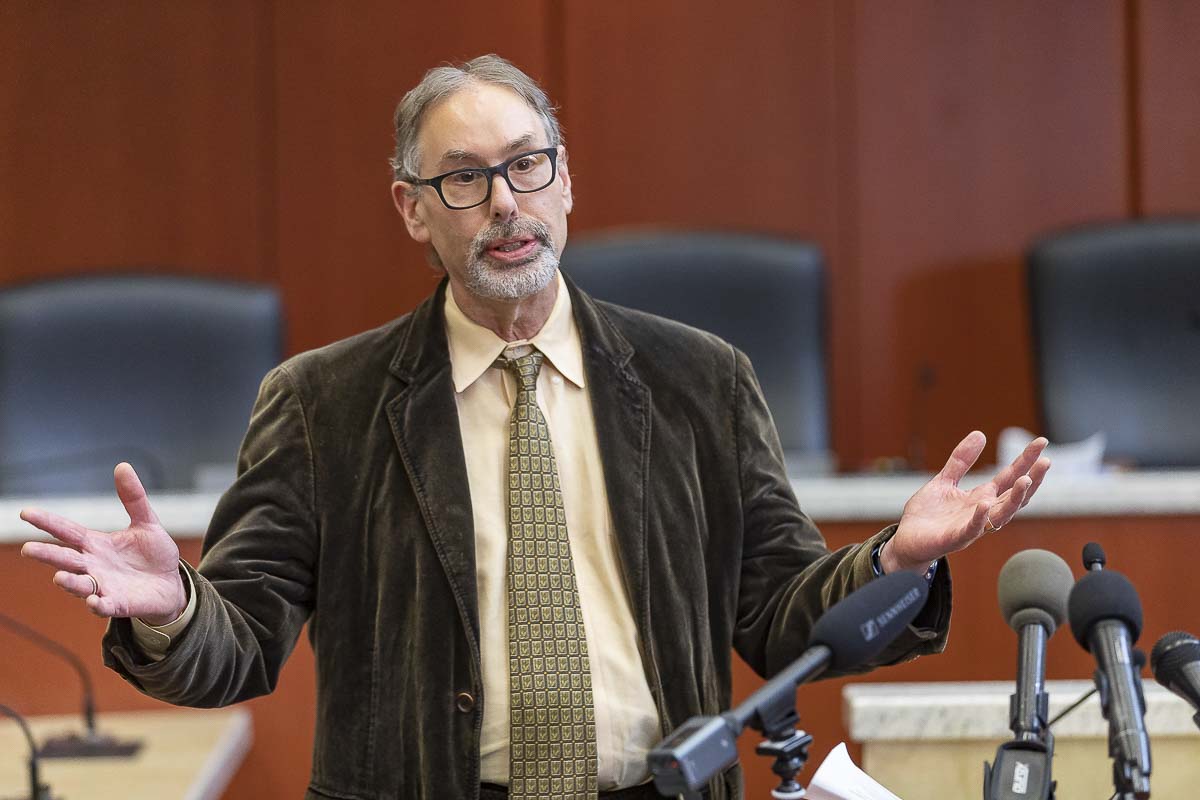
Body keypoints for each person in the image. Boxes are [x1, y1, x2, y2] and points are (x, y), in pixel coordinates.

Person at [19, 55, 1049, 800]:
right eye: (464, 178)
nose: (504, 203)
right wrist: (169, 607)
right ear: (414, 209)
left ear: (565, 180)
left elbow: (778, 613)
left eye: (526, 165)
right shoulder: (322, 402)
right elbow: (237, 646)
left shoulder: (701, 379)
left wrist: (895, 561)